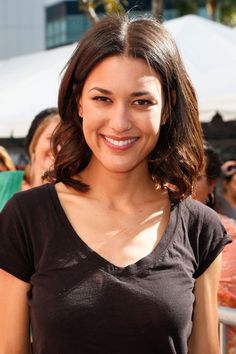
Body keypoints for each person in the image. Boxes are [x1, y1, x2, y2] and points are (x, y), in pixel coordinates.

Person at [0, 14, 231, 354]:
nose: (120, 122)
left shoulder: (200, 228)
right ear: (79, 102)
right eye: (102, 99)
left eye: (142, 102)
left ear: (166, 108)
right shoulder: (26, 217)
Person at [192, 142, 236, 354]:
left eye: (196, 176)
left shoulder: (229, 233)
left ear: (212, 184)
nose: (183, 183)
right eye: (177, 172)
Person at [0, 108, 60, 211]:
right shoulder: (4, 181)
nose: (59, 147)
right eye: (52, 139)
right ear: (34, 143)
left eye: (67, 141)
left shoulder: (70, 198)